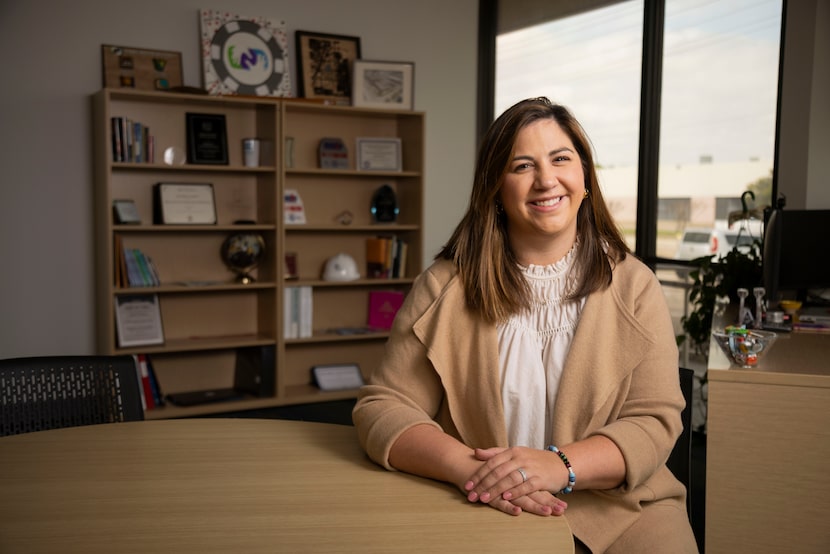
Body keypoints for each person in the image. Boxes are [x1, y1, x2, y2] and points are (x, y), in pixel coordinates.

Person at [352, 97, 698, 553]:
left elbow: (653, 421)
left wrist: (559, 467)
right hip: (479, 503)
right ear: (495, 188)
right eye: (522, 166)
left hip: (621, 509)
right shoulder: (444, 286)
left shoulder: (635, 286)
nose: (546, 180)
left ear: (585, 177)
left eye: (560, 159)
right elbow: (384, 407)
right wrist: (468, 469)